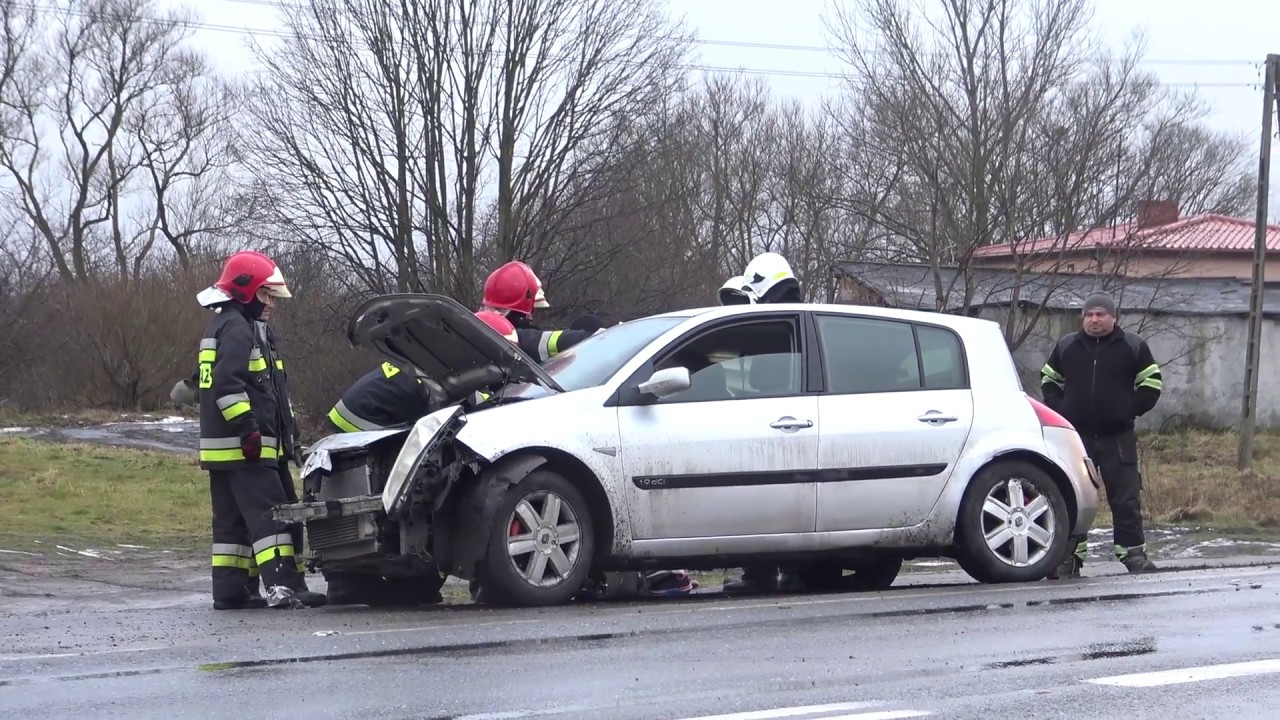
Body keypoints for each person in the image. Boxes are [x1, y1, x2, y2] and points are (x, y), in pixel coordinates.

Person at [193, 250, 326, 610]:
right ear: (244, 290)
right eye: (265, 294)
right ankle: (287, 587)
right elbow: (227, 385)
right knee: (276, 516)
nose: (270, 303)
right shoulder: (239, 327)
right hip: (248, 449)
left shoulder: (222, 324)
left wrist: (289, 433)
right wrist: (249, 430)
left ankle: (232, 591)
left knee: (232, 526)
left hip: (225, 451)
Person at [1040, 291, 1162, 579]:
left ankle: (1133, 555)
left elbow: (1152, 382)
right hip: (1076, 439)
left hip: (1118, 437)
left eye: (1100, 314)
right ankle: (1069, 558)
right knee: (1072, 497)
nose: (1094, 320)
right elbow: (1048, 378)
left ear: (1113, 317)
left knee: (1126, 499)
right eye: (1089, 314)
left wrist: (1129, 409)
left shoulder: (1132, 346)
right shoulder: (1067, 346)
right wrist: (1061, 410)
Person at [722, 252, 809, 596]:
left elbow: (762, 378)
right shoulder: (797, 322)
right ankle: (796, 570)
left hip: (777, 423)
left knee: (761, 500)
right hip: (799, 423)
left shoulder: (774, 328)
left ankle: (764, 571)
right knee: (792, 500)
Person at [479, 260, 597, 362]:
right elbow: (539, 341)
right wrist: (588, 337)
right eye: (531, 311)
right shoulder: (500, 335)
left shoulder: (478, 327)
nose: (530, 317)